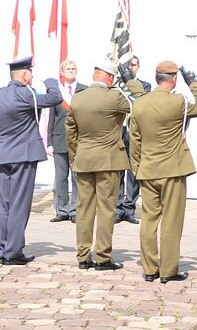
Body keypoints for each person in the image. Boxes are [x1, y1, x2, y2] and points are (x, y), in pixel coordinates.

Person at [129, 60, 197, 283]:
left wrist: (137, 167)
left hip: (148, 168)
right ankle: (168, 269)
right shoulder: (178, 101)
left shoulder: (140, 104)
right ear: (174, 79)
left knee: (148, 220)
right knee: (171, 221)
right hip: (173, 168)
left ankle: (149, 268)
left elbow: (135, 140)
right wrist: (194, 84)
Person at [66, 60, 145, 270]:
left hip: (84, 159)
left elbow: (70, 131)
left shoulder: (78, 98)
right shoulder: (115, 97)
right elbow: (141, 104)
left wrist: (75, 157)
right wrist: (129, 82)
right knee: (106, 209)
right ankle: (102, 256)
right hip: (108, 160)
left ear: (94, 75)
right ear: (110, 78)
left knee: (83, 209)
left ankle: (83, 255)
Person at [0, 56, 62, 265]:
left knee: (3, 205)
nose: (32, 77)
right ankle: (13, 252)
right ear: (25, 75)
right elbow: (55, 98)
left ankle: (1, 250)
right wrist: (51, 81)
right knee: (19, 204)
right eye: (31, 74)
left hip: (2, 156)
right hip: (23, 156)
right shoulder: (27, 95)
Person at [47, 60, 85, 223]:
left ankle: (75, 209)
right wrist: (49, 141)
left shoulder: (84, 90)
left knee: (77, 177)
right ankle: (62, 209)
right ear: (61, 72)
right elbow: (52, 118)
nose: (71, 71)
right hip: (59, 139)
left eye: (73, 68)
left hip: (79, 140)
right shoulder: (57, 92)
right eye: (67, 69)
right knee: (61, 177)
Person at [116, 55, 151, 224]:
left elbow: (141, 104)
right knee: (118, 171)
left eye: (134, 65)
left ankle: (129, 208)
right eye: (128, 65)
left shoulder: (145, 86)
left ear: (139, 67)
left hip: (134, 132)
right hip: (118, 131)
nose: (131, 68)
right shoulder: (116, 86)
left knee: (133, 172)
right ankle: (117, 208)